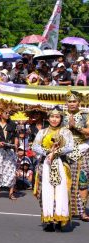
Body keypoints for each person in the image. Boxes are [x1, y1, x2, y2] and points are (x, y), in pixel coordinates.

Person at [32, 106, 74, 232]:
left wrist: (55, 153)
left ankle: (60, 220)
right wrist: (48, 152)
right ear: (48, 118)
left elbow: (70, 146)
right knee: (45, 193)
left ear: (61, 118)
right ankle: (48, 220)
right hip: (45, 165)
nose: (54, 119)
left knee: (61, 193)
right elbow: (35, 146)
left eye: (57, 117)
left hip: (61, 164)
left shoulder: (66, 132)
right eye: (52, 117)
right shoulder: (42, 132)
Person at [61, 90, 89, 221]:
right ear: (67, 103)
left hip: (82, 151)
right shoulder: (60, 115)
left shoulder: (85, 115)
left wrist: (76, 126)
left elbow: (88, 132)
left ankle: (82, 211)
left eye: (74, 101)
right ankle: (66, 209)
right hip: (66, 152)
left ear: (79, 102)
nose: (72, 104)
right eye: (70, 101)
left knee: (83, 181)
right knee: (66, 181)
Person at [0, 99, 19, 200]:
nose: (8, 114)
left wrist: (15, 146)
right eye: (6, 112)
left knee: (11, 170)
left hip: (10, 150)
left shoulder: (13, 125)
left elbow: (16, 137)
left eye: (9, 113)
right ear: (0, 112)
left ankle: (11, 192)